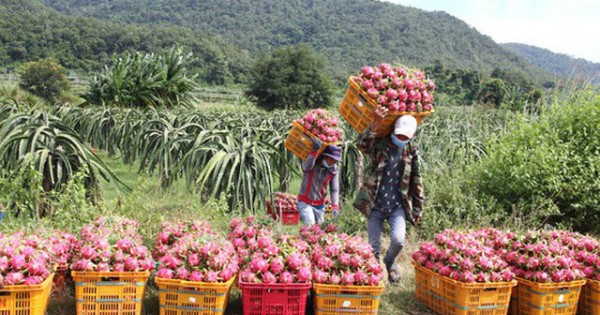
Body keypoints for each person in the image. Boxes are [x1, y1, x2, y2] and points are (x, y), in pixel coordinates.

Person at [353, 108, 425, 284]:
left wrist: (418, 207)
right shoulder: (380, 145)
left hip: (396, 206)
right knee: (373, 246)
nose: (400, 139)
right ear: (393, 131)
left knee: (399, 240)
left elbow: (416, 180)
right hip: (375, 204)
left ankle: (390, 262)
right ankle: (374, 274)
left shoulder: (410, 152)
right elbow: (361, 145)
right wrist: (375, 124)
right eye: (398, 135)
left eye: (404, 138)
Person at [297, 142, 341, 225]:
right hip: (305, 202)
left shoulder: (333, 170)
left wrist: (335, 205)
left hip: (320, 205)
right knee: (310, 224)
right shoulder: (312, 163)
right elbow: (306, 166)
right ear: (324, 156)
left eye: (335, 161)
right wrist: (314, 151)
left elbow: (334, 189)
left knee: (320, 230)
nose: (332, 162)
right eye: (331, 159)